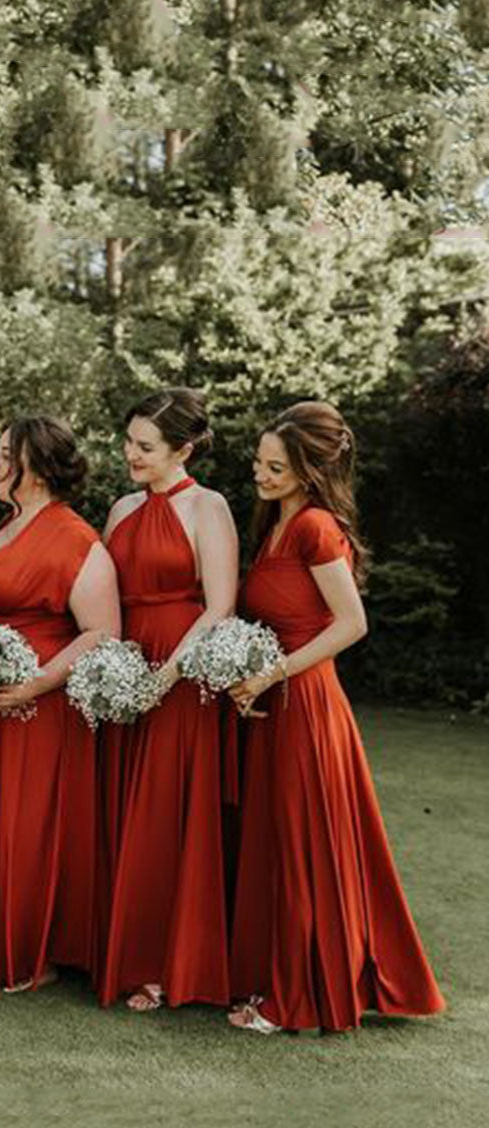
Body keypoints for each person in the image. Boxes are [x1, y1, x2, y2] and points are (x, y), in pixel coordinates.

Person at [227, 401, 445, 1033]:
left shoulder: (316, 527)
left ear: (309, 471)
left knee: (302, 847)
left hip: (307, 703)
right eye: (259, 462)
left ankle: (299, 998)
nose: (260, 475)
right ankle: (281, 977)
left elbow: (352, 624)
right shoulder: (275, 524)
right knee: (280, 844)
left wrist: (272, 672)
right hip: (274, 700)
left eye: (275, 467)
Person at [0, 417, 120, 992]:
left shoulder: (77, 540)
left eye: (6, 454)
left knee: (27, 829)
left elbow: (101, 631)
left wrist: (33, 684)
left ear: (35, 465)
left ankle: (32, 949)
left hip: (37, 708)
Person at [99, 388, 237, 1013]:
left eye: (146, 447)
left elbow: (220, 605)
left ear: (183, 449)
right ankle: (117, 949)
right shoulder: (121, 507)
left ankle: (161, 965)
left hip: (181, 674)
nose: (131, 454)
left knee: (166, 817)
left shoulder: (208, 508)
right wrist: (111, 669)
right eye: (129, 442)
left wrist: (168, 675)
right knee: (121, 808)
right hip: (124, 664)